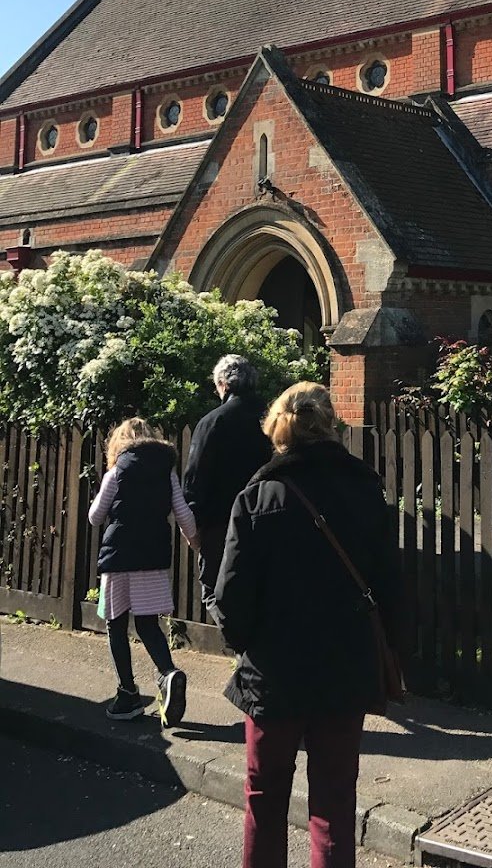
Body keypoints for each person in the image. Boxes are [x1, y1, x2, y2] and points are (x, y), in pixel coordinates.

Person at [215, 383, 403, 868]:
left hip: (275, 671)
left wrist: (247, 644)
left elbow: (231, 596)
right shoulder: (366, 488)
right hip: (344, 667)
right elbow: (391, 584)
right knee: (334, 800)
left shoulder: (258, 496)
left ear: (278, 430)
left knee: (264, 794)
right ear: (331, 426)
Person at [88, 417, 199, 724]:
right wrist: (195, 542)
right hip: (152, 556)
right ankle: (168, 672)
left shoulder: (119, 469)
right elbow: (183, 513)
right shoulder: (167, 470)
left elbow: (96, 516)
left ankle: (127, 694)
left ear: (119, 442)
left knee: (116, 624)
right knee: (148, 624)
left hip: (119, 555)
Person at [182, 354, 271, 623]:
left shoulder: (213, 422)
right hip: (268, 519)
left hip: (221, 523)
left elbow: (195, 479)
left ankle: (242, 653)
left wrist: (193, 527)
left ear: (223, 384)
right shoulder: (272, 419)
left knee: (215, 591)